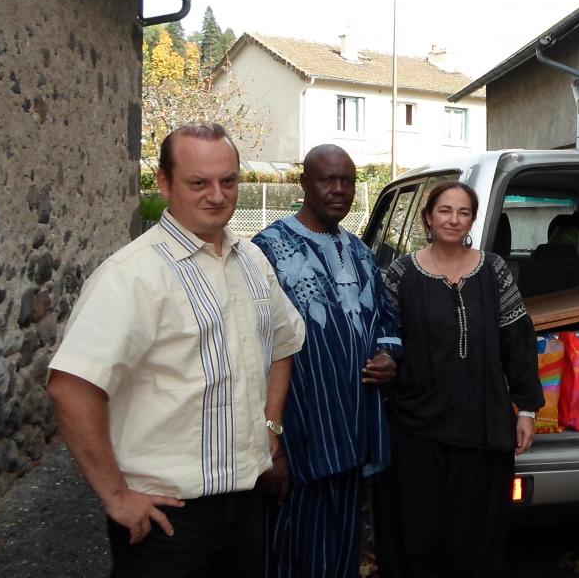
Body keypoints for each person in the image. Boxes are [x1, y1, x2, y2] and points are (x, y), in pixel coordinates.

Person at [46, 124, 305, 577]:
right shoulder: (133, 274)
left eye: (228, 181)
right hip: (168, 518)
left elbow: (285, 343)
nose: (217, 195)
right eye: (198, 183)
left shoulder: (253, 261)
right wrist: (116, 497)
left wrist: (270, 422)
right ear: (164, 183)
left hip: (245, 503)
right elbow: (71, 387)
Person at [373, 180, 543, 577]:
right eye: (445, 211)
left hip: (481, 423)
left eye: (463, 212)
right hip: (415, 426)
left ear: (472, 220)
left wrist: (527, 409)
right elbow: (384, 338)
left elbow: (517, 340)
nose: (454, 219)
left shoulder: (493, 270)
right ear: (428, 217)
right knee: (418, 529)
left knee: (476, 532)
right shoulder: (401, 273)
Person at [251, 145, 400, 577]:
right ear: (305, 184)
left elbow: (387, 317)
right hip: (302, 433)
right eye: (327, 179)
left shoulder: (360, 252)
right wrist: (269, 437)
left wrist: (390, 355)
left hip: (353, 432)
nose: (339, 190)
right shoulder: (268, 250)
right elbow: (254, 344)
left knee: (342, 548)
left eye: (348, 181)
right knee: (291, 548)